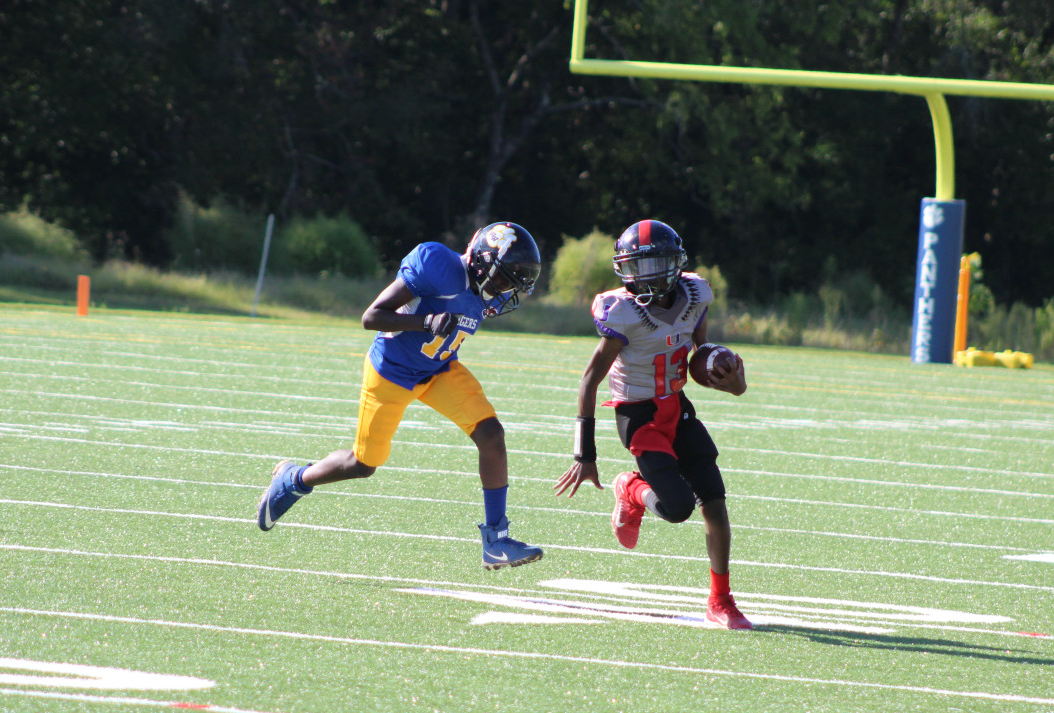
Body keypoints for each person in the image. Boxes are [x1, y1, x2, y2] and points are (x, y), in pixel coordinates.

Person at [257, 221, 545, 570]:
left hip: (439, 371)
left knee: (491, 434)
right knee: (362, 464)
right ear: (482, 263)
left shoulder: (483, 291)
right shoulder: (437, 265)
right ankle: (295, 479)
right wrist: (426, 322)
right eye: (502, 280)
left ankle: (496, 541)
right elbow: (372, 317)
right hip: (391, 373)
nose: (503, 291)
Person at [553, 219, 752, 629]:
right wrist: (584, 453)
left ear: (671, 266)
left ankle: (721, 599)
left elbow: (702, 354)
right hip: (638, 414)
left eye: (649, 266)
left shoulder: (696, 295)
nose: (638, 277)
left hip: (676, 407)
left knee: (714, 499)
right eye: (633, 267)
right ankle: (630, 488)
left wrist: (735, 382)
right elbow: (590, 380)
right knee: (678, 508)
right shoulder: (621, 311)